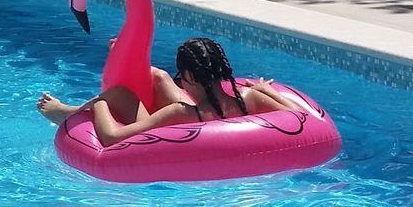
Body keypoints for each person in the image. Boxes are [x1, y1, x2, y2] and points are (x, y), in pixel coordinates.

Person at [37, 36, 291, 148]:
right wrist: (267, 90)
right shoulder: (251, 98)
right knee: (158, 76)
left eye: (182, 76)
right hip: (210, 115)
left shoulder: (178, 114)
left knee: (119, 93)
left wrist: (100, 103)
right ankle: (129, 61)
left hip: (185, 129)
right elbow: (302, 118)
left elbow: (112, 138)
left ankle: (69, 113)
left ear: (190, 77)